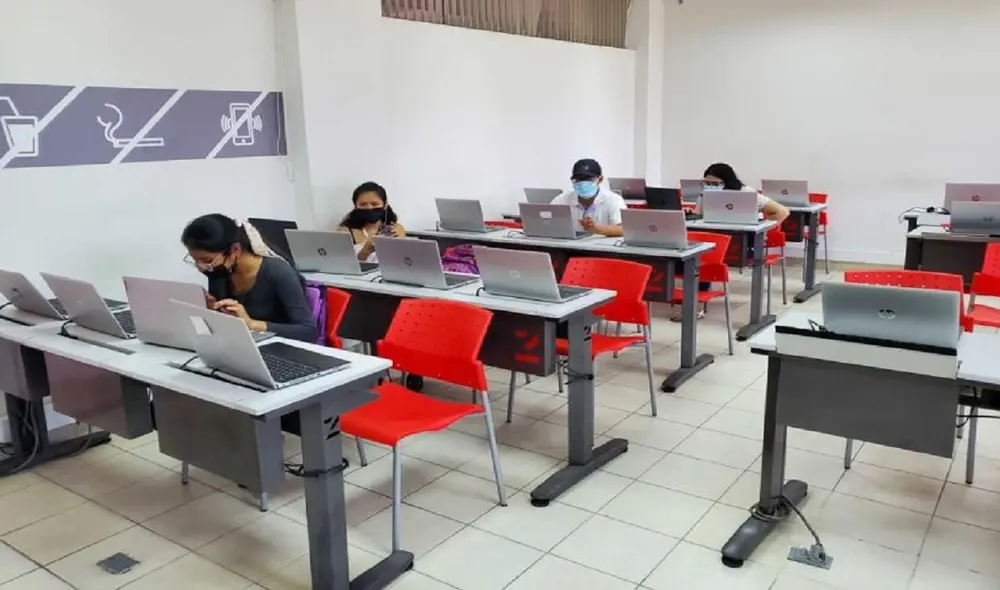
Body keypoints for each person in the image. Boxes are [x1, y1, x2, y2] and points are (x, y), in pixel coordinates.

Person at [181, 214, 318, 343]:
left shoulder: (277, 272)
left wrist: (252, 324)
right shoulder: (220, 272)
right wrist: (212, 311)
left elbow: (308, 331)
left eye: (207, 260)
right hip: (242, 346)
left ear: (235, 250)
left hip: (280, 349)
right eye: (196, 260)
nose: (201, 267)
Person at [550, 159, 627, 237]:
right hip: (568, 246)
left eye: (588, 178)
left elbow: (624, 229)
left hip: (600, 247)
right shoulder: (562, 199)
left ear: (600, 179)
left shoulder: (614, 200)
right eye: (578, 179)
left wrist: (595, 228)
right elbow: (546, 223)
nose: (583, 183)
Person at [337, 182, 405, 262]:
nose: (369, 208)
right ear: (355, 206)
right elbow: (342, 264)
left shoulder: (395, 229)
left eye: (375, 204)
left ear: (385, 204)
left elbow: (403, 261)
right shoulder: (345, 232)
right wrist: (365, 252)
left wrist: (402, 241)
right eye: (363, 204)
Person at [701, 162, 789, 223]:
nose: (710, 186)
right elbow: (699, 215)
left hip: (742, 237)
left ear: (728, 182)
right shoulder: (705, 193)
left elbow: (782, 212)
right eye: (707, 183)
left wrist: (764, 230)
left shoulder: (746, 192)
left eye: (715, 183)